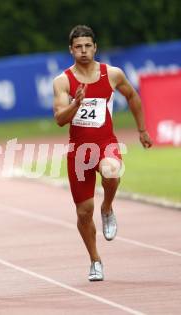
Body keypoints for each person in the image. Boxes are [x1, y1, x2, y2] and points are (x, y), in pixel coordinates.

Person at [53, 25, 152, 281]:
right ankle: (95, 260)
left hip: (106, 142)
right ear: (71, 50)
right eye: (78, 47)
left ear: (95, 47)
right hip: (79, 152)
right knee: (84, 212)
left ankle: (107, 207)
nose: (84, 51)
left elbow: (133, 96)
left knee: (112, 169)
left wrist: (141, 130)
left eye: (88, 46)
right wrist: (76, 103)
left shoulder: (112, 74)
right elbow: (59, 120)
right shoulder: (63, 81)